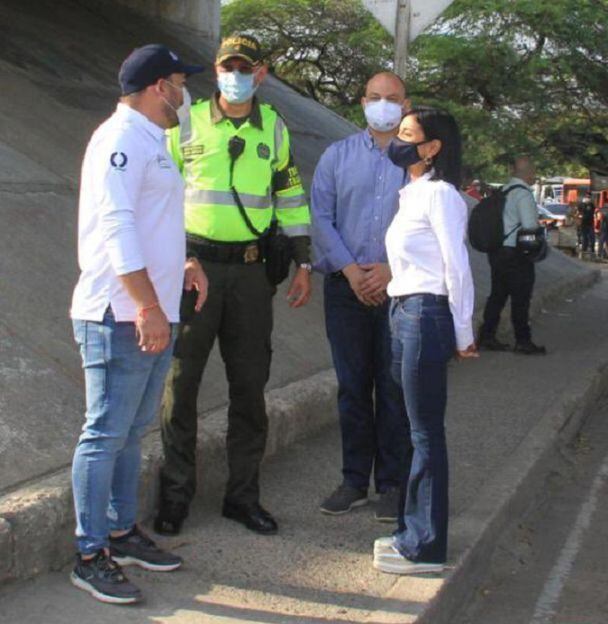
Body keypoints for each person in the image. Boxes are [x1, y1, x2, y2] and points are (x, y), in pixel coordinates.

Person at [156, 35, 313, 537]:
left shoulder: (275, 127)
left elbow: (290, 195)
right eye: (229, 66)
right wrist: (178, 257)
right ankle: (175, 496)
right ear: (217, 71)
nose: (236, 75)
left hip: (250, 275)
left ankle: (242, 497)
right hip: (193, 271)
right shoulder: (186, 121)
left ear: (260, 74)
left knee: (249, 388)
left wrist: (304, 261)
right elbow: (160, 194)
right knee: (180, 387)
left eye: (245, 67)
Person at [69, 44, 208, 605]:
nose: (185, 93)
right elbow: (117, 227)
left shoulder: (154, 140)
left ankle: (122, 532)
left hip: (152, 310)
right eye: (179, 82)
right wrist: (147, 306)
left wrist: (184, 264)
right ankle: (88, 552)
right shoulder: (120, 139)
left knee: (130, 433)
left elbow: (153, 222)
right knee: (104, 434)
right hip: (119, 314)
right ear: (157, 87)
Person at [372, 106, 477, 575]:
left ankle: (427, 546)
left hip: (426, 313)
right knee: (409, 428)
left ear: (432, 148)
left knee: (425, 432)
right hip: (403, 311)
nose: (399, 139)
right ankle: (409, 530)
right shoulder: (412, 193)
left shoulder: (441, 196)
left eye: (409, 134)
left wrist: (464, 331)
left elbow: (457, 267)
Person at [309, 72, 411, 522]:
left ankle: (392, 484)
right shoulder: (336, 156)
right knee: (352, 388)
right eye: (375, 97)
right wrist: (352, 272)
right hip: (345, 288)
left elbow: (424, 227)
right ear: (362, 102)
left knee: (393, 388)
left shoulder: (418, 163)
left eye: (392, 99)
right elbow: (321, 218)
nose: (383, 105)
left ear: (406, 104)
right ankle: (354, 480)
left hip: (399, 289)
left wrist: (390, 270)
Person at [476, 156, 547, 355]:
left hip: (497, 250)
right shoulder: (522, 194)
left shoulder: (504, 191)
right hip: (516, 253)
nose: (534, 174)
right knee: (521, 297)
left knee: (498, 295)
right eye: (533, 169)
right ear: (526, 171)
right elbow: (530, 225)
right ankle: (523, 340)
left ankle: (487, 335)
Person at [576, 194, 596, 258]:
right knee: (584, 238)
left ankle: (592, 251)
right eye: (587, 197)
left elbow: (592, 212)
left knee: (592, 238)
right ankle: (584, 251)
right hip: (583, 224)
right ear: (584, 198)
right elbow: (578, 213)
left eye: (589, 197)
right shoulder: (581, 205)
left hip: (590, 223)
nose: (588, 199)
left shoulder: (591, 205)